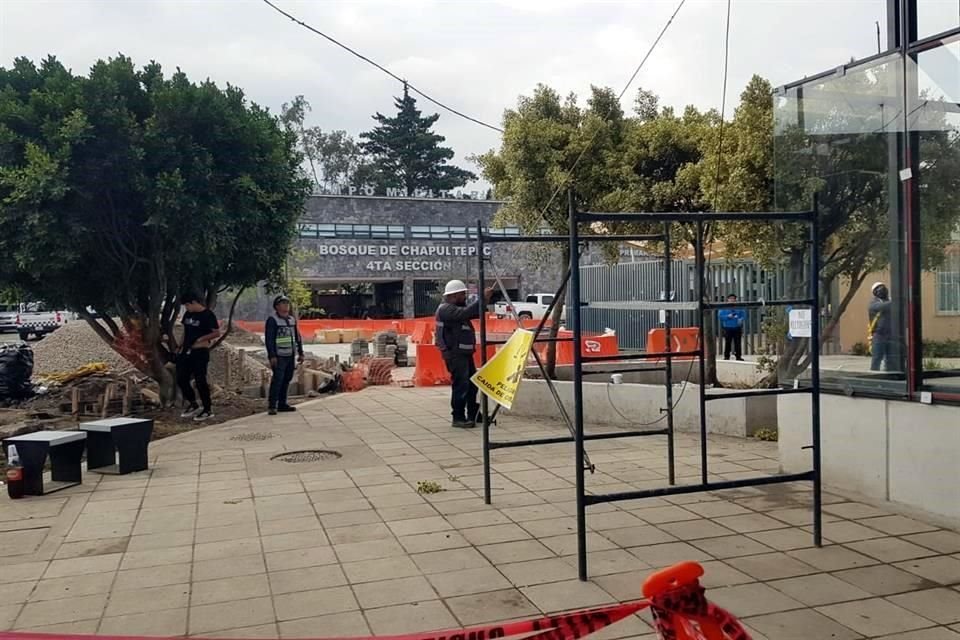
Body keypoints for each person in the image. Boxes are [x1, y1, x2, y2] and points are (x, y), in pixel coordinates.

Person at [435, 280, 493, 428]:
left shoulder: (454, 309)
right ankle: (458, 416)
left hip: (463, 353)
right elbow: (467, 312)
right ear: (453, 296)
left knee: (472, 384)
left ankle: (474, 413)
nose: (464, 297)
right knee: (461, 385)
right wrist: (483, 299)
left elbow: (473, 312)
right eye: (462, 294)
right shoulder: (446, 309)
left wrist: (484, 301)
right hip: (455, 354)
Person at [177, 292, 220, 421]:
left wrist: (202, 338)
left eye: (188, 305)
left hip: (200, 351)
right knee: (181, 378)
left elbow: (216, 332)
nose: (187, 308)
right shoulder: (188, 314)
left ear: (194, 302)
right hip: (186, 351)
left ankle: (207, 409)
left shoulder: (208, 315)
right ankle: (193, 403)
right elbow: (185, 330)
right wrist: (180, 345)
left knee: (200, 379)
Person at [266, 294, 305, 415]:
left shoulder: (291, 320)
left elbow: (297, 337)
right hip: (279, 356)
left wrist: (300, 352)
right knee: (277, 380)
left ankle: (282, 403)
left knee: (286, 379)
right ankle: (272, 405)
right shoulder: (273, 320)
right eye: (283, 303)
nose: (286, 305)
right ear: (277, 306)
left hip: (290, 355)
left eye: (287, 303)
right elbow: (269, 339)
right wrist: (272, 355)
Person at [868, 281, 893, 371]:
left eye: (883, 287)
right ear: (875, 292)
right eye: (879, 288)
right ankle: (874, 378)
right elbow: (883, 307)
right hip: (879, 335)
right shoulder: (873, 303)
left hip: (891, 335)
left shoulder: (890, 301)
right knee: (877, 358)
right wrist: (896, 300)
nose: (883, 290)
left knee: (891, 360)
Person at [718, 294, 746, 361]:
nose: (732, 300)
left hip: (737, 327)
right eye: (730, 298)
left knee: (738, 343)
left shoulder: (739, 307)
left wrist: (741, 319)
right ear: (727, 299)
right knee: (728, 342)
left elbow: (744, 315)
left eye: (733, 298)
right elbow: (720, 316)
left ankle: (738, 356)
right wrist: (728, 316)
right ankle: (726, 356)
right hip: (727, 327)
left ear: (735, 299)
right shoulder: (724, 307)